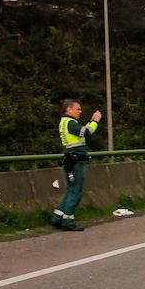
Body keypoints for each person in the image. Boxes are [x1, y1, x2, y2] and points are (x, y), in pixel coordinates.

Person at [51, 98, 100, 231]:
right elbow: (88, 132)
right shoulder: (71, 123)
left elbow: (82, 130)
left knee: (70, 190)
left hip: (70, 158)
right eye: (77, 109)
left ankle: (57, 218)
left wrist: (90, 122)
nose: (80, 111)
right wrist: (95, 120)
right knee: (76, 191)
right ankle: (68, 221)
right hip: (75, 159)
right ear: (69, 109)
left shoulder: (65, 122)